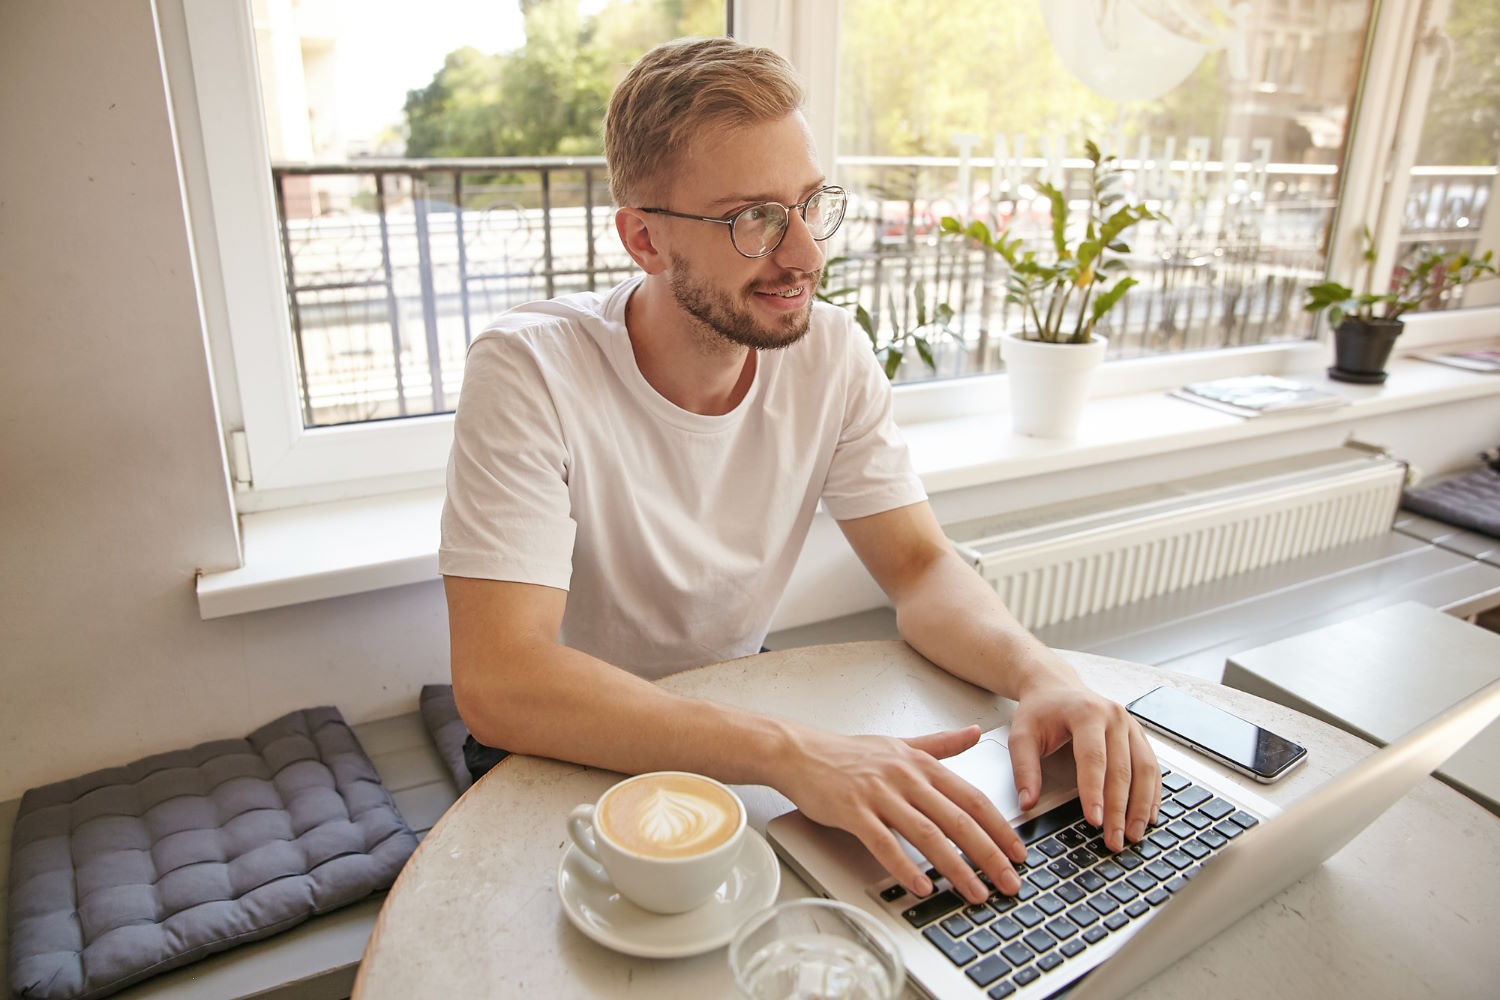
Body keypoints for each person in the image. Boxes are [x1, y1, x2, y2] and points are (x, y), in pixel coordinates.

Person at [439, 36, 1159, 906]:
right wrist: (791, 751)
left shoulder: (832, 354)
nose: (807, 255)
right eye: (754, 219)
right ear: (643, 238)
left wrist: (1043, 674)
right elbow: (501, 680)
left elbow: (922, 568)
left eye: (812, 204)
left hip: (733, 727)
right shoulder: (530, 370)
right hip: (558, 747)